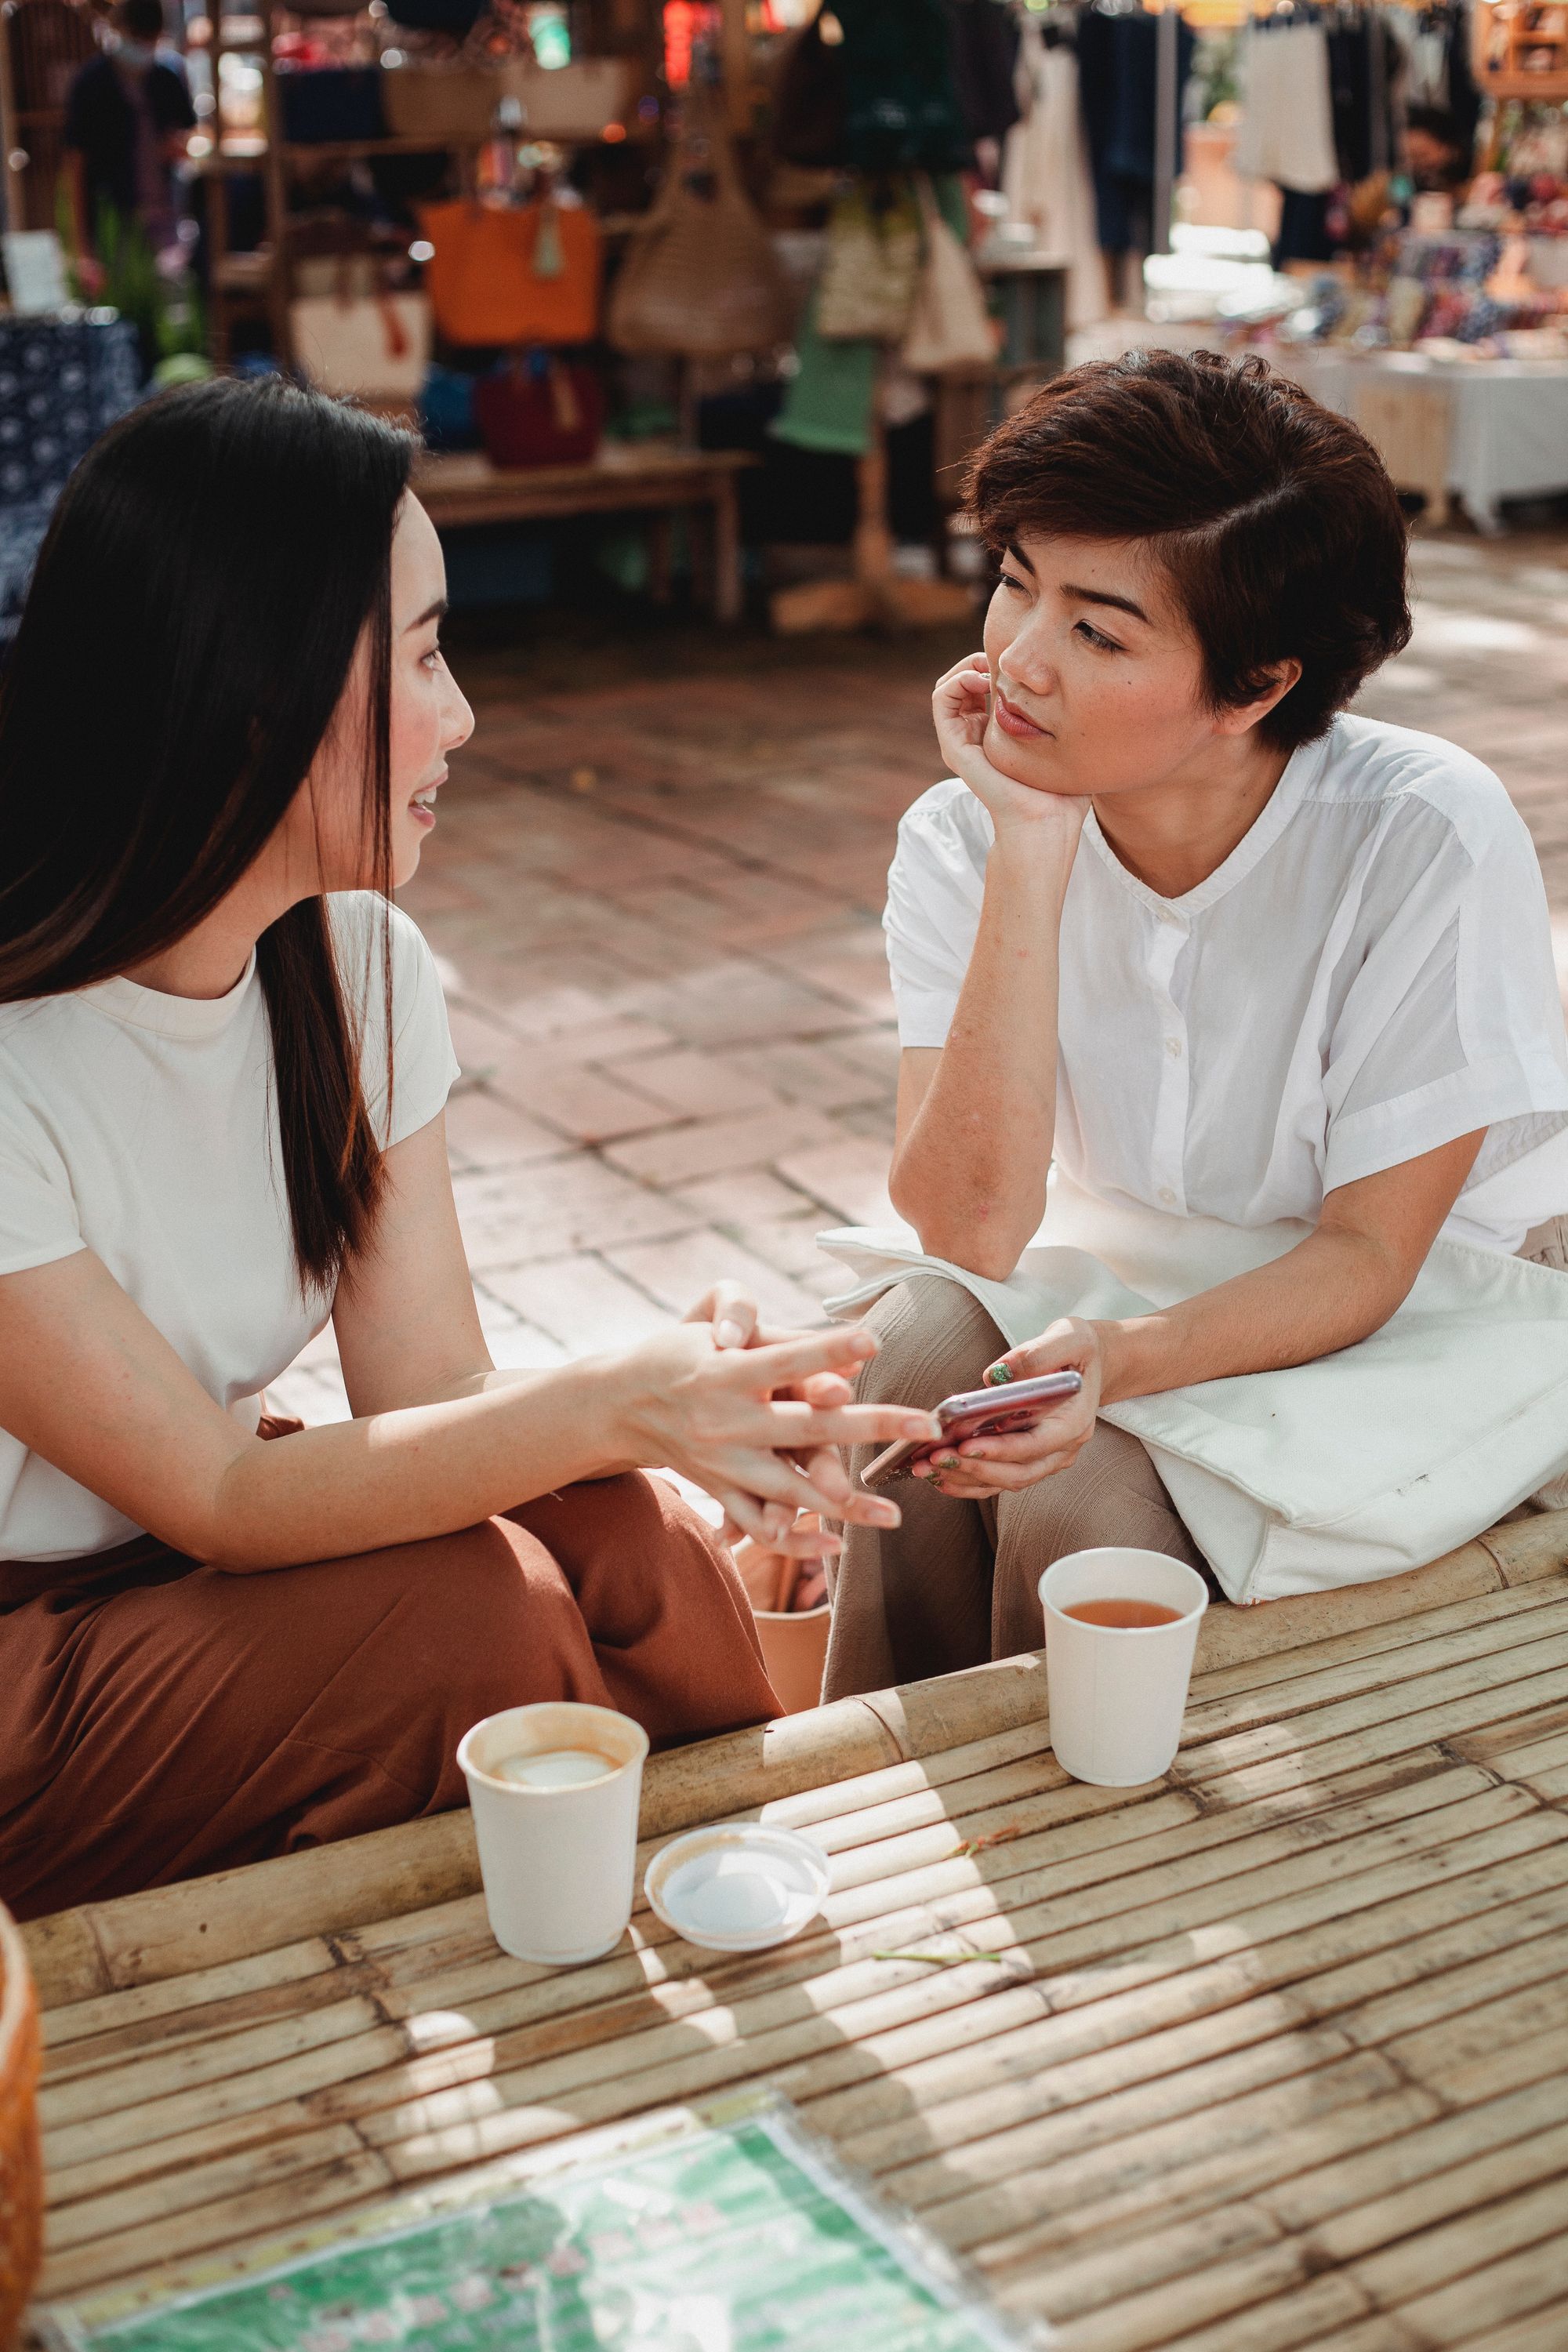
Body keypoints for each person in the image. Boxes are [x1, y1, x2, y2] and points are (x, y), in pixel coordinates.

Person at [0, 379, 937, 1921]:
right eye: (426, 655)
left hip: (177, 1573)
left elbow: (427, 1395)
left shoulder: (354, 964)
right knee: (461, 1622)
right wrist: (611, 1396)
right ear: (256, 692)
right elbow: (219, 1502)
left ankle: (718, 1878)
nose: (468, 715)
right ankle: (542, 1933)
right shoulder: (21, 1058)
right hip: (36, 1658)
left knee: (616, 1531)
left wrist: (667, 1403)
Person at [822, 348, 1568, 1700]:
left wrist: (1114, 1366)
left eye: (1099, 632)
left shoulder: (1419, 835)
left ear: (1255, 688)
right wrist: (1030, 855)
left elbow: (1365, 1260)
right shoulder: (960, 834)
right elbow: (969, 1226)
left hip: (1420, 1312)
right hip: (1134, 1265)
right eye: (1015, 584)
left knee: (1074, 1509)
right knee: (905, 1363)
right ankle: (886, 1812)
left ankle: (1094, 1864)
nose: (1018, 661)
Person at [64, 0, 196, 273]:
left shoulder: (166, 79)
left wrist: (174, 148)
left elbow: (187, 136)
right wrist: (83, 249)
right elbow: (76, 165)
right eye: (137, 37)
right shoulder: (91, 85)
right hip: (113, 218)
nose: (143, 46)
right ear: (119, 31)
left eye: (150, 38)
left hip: (168, 219)